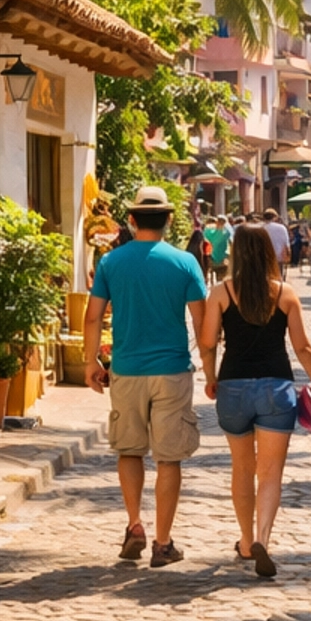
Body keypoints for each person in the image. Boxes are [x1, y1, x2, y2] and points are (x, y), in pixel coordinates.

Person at [83, 184, 207, 567]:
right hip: (172, 370)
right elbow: (203, 324)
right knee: (169, 459)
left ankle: (134, 524)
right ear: (169, 221)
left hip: (126, 370)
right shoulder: (186, 263)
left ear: (132, 220)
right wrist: (211, 368)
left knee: (129, 449)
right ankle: (163, 542)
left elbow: (93, 316)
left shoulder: (111, 263)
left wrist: (91, 362)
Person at [198, 221, 311, 579]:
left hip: (234, 388)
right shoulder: (285, 294)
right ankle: (263, 540)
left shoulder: (222, 293)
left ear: (238, 253)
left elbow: (208, 342)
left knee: (242, 468)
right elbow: (303, 346)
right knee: (270, 474)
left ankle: (244, 540)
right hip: (276, 389)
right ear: (269, 253)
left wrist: (210, 378)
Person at [262, 207, 291, 274]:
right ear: (275, 217)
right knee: (279, 278)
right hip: (279, 257)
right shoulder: (282, 228)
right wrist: (288, 256)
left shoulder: (260, 228)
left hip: (265, 257)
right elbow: (286, 245)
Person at [204, 213, 231, 279]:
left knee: (213, 279)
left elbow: (205, 233)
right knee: (221, 279)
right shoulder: (226, 234)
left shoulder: (210, 233)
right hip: (224, 260)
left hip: (212, 259)